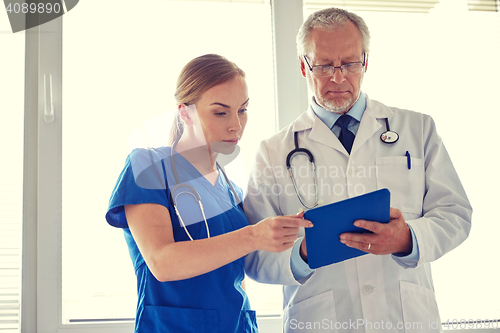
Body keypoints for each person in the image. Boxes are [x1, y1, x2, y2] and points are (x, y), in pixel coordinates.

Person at [244, 8, 472, 333]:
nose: (338, 77)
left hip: (406, 320)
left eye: (350, 63)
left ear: (365, 62)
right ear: (302, 65)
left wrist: (408, 238)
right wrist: (305, 252)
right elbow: (255, 257)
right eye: (323, 65)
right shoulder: (273, 152)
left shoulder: (417, 129)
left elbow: (456, 214)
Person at [105, 54, 312, 333]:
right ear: (185, 112)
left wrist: (301, 245)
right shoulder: (148, 167)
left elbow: (248, 265)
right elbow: (161, 262)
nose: (236, 125)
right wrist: (253, 235)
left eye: (242, 110)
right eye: (220, 112)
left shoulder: (231, 190)